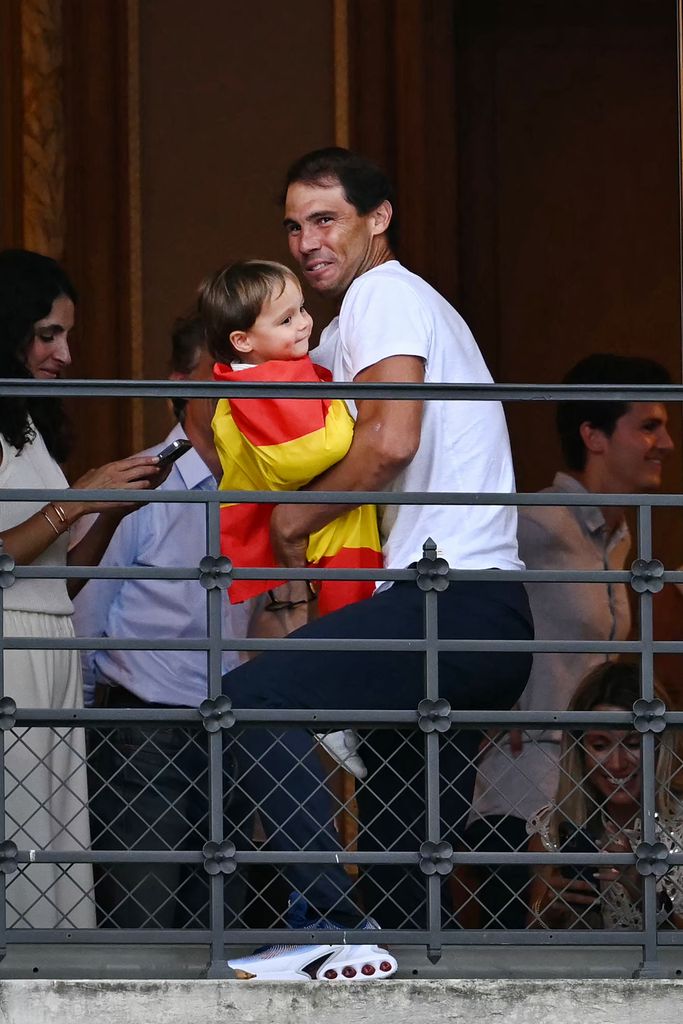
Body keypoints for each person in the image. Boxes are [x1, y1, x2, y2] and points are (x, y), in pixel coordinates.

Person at [220, 147, 533, 981]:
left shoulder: (381, 295)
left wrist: (295, 516)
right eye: (293, 226)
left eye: (325, 219)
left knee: (253, 694)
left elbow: (390, 441)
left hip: (450, 600)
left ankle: (323, 921)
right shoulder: (395, 303)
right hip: (477, 612)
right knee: (403, 884)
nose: (306, 242)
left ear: (377, 218)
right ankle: (383, 950)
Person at [467, 354, 674, 929]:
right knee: (514, 962)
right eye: (650, 426)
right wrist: (484, 701)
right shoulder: (534, 521)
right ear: (594, 435)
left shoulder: (622, 536)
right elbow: (454, 593)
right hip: (518, 793)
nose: (666, 444)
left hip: (590, 801)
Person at [0, 248, 164, 928]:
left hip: (49, 644)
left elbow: (56, 582)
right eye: (47, 335)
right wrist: (75, 501)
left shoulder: (30, 426)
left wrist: (104, 513)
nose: (64, 354)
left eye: (65, 335)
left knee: (55, 826)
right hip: (7, 652)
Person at [73, 314, 253, 927]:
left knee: (221, 927)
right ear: (181, 383)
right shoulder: (138, 482)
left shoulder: (260, 487)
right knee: (144, 920)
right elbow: (87, 610)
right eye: (218, 372)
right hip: (142, 732)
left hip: (229, 729)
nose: (235, 387)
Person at [199, 258, 384, 779]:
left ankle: (337, 709)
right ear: (242, 341)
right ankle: (331, 712)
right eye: (286, 320)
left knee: (349, 620)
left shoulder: (277, 370)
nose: (304, 323)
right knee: (339, 621)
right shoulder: (253, 385)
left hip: (327, 520)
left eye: (302, 309)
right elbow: (300, 455)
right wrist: (358, 416)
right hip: (316, 528)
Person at [527, 661, 683, 930]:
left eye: (633, 744)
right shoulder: (553, 830)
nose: (617, 763)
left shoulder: (678, 827)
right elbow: (531, 949)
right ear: (579, 749)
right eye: (600, 745)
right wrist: (549, 912)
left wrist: (643, 894)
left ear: (659, 746)